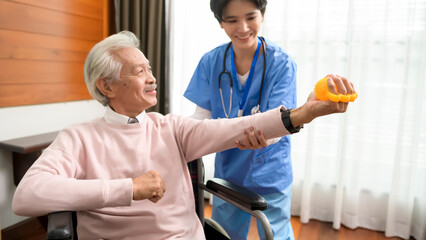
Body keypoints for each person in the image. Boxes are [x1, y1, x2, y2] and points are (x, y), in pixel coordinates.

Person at [12, 30, 355, 239]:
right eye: (138, 71)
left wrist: (302, 113)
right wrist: (129, 189)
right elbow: (27, 196)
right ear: (106, 86)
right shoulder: (78, 138)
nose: (151, 78)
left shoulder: (170, 127)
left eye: (150, 69)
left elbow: (232, 127)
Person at [183, 0, 304, 239]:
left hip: (270, 170)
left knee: (275, 234)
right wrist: (177, 137)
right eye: (232, 20)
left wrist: (265, 138)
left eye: (250, 17)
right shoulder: (211, 62)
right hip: (229, 172)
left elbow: (282, 122)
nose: (243, 27)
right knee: (225, 235)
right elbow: (201, 118)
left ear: (262, 15)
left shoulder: (281, 64)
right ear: (220, 23)